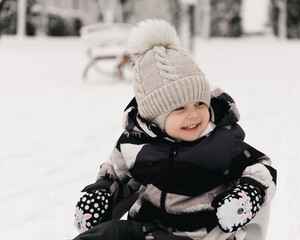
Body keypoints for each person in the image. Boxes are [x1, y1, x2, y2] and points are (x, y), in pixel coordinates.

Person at [73, 19, 277, 240]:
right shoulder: (136, 143)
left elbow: (261, 167)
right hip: (146, 229)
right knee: (108, 233)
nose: (193, 114)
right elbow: (117, 174)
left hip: (202, 233)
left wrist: (248, 193)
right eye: (179, 108)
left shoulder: (222, 141)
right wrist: (101, 193)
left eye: (200, 104)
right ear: (155, 117)